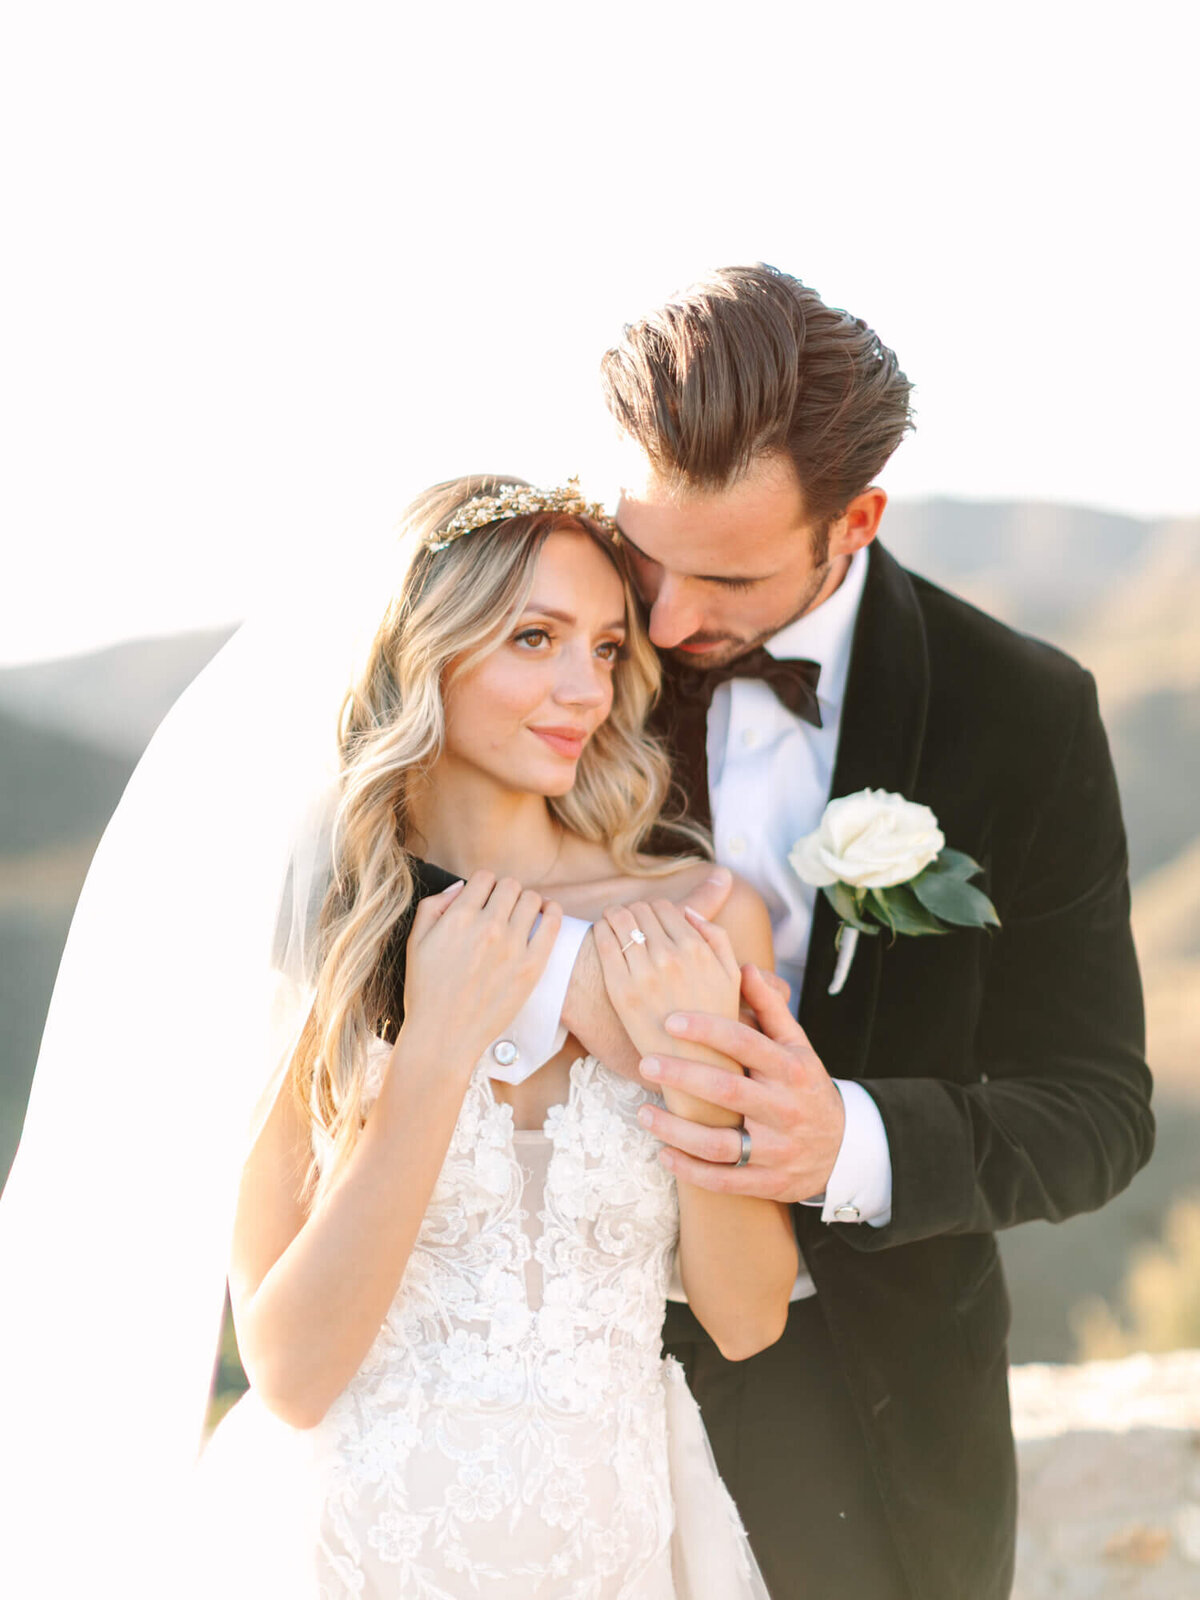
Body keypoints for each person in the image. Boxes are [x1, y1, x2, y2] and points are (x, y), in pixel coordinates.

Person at [505, 266, 1154, 1600]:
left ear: (855, 520)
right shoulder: (533, 645)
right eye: (646, 556)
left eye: (726, 574)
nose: (663, 623)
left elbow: (1095, 1113)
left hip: (873, 1427)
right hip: (543, 1408)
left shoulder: (1021, 714)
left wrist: (844, 1138)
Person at [104, 472, 800, 1600]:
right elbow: (288, 1370)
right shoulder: (317, 936)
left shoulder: (704, 920)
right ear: (425, 651)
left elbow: (748, 1314)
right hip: (351, 1554)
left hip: (617, 1553)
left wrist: (691, 1065)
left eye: (608, 648)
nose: (583, 687)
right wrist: (437, 1049)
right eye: (535, 638)